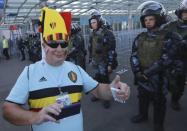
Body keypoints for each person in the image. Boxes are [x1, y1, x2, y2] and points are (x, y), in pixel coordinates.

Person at [2, 7, 130, 131]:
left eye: (63, 43)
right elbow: (8, 109)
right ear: (44, 45)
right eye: (53, 43)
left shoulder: (76, 70)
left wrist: (113, 90)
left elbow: (98, 90)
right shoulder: (30, 72)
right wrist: (35, 117)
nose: (59, 49)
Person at [130, 1, 172, 131]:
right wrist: (137, 72)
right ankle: (143, 115)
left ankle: (158, 124)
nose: (148, 22)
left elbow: (166, 59)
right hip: (142, 75)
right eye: (146, 19)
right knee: (143, 96)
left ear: (159, 19)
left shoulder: (167, 37)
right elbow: (134, 55)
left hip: (158, 77)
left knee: (159, 101)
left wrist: (147, 73)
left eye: (151, 19)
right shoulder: (140, 37)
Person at [88, 11, 118, 109]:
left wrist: (110, 64)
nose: (92, 24)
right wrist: (90, 58)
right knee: (97, 79)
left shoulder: (107, 33)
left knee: (104, 80)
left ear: (99, 22)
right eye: (91, 23)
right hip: (95, 60)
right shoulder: (92, 33)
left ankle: (106, 98)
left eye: (94, 22)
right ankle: (98, 95)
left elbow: (111, 50)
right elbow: (90, 47)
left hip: (103, 61)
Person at [162, 0, 187, 111]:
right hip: (169, 59)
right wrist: (168, 44)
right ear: (180, 12)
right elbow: (159, 38)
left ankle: (175, 100)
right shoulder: (170, 26)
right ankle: (156, 97)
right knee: (161, 81)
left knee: (179, 85)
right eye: (185, 12)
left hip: (184, 61)